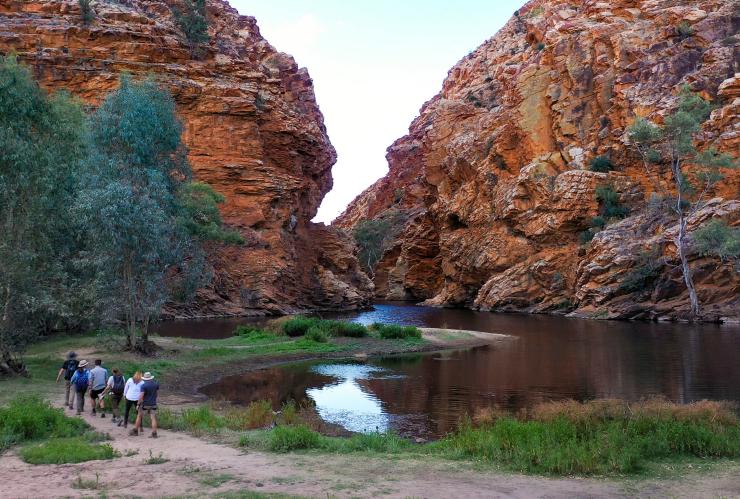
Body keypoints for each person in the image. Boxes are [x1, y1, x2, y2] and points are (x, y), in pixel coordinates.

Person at [132, 372, 159, 438]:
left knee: (139, 416)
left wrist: (138, 404)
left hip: (145, 404)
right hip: (153, 404)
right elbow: (157, 394)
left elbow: (141, 396)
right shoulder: (156, 384)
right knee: (153, 418)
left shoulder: (143, 386)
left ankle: (135, 431)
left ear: (144, 378)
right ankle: (154, 433)